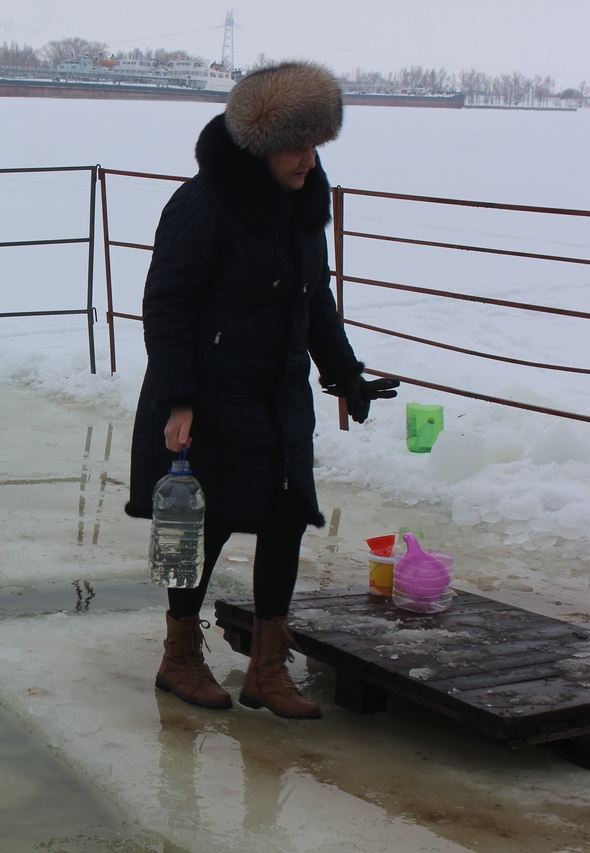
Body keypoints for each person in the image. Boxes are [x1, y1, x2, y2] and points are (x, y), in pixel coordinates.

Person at [125, 62, 399, 719]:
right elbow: (166, 306)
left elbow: (315, 299)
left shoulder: (304, 204)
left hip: (277, 397)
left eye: (315, 146)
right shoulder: (202, 204)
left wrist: (344, 374)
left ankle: (268, 670)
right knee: (203, 527)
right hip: (211, 397)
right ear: (257, 147)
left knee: (285, 522)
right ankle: (180, 656)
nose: (309, 160)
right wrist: (179, 398)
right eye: (296, 147)